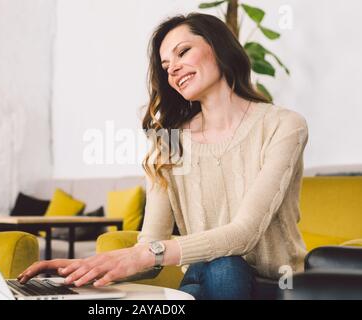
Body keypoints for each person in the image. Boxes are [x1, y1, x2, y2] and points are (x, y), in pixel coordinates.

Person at [17, 12, 309, 300]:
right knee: (213, 274)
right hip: (208, 277)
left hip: (278, 284)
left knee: (223, 269)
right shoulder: (169, 143)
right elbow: (151, 245)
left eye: (183, 52)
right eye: (166, 65)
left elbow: (244, 234)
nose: (173, 70)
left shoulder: (283, 125)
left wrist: (147, 255)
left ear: (219, 47)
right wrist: (90, 267)